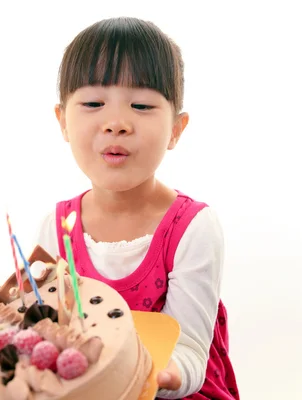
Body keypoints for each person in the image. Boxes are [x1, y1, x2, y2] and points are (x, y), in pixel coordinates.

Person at [34, 16, 240, 399]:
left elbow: (192, 353)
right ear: (62, 121)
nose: (116, 123)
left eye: (142, 105)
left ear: (177, 129)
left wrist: (154, 376)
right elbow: (47, 331)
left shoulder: (193, 227)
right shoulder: (56, 228)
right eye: (93, 102)